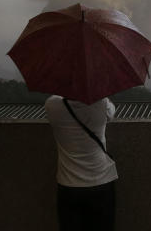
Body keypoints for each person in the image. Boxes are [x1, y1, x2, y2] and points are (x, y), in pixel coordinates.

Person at [44, 95, 117, 231]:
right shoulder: (101, 103)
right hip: (101, 181)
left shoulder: (51, 104)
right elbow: (111, 113)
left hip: (68, 184)